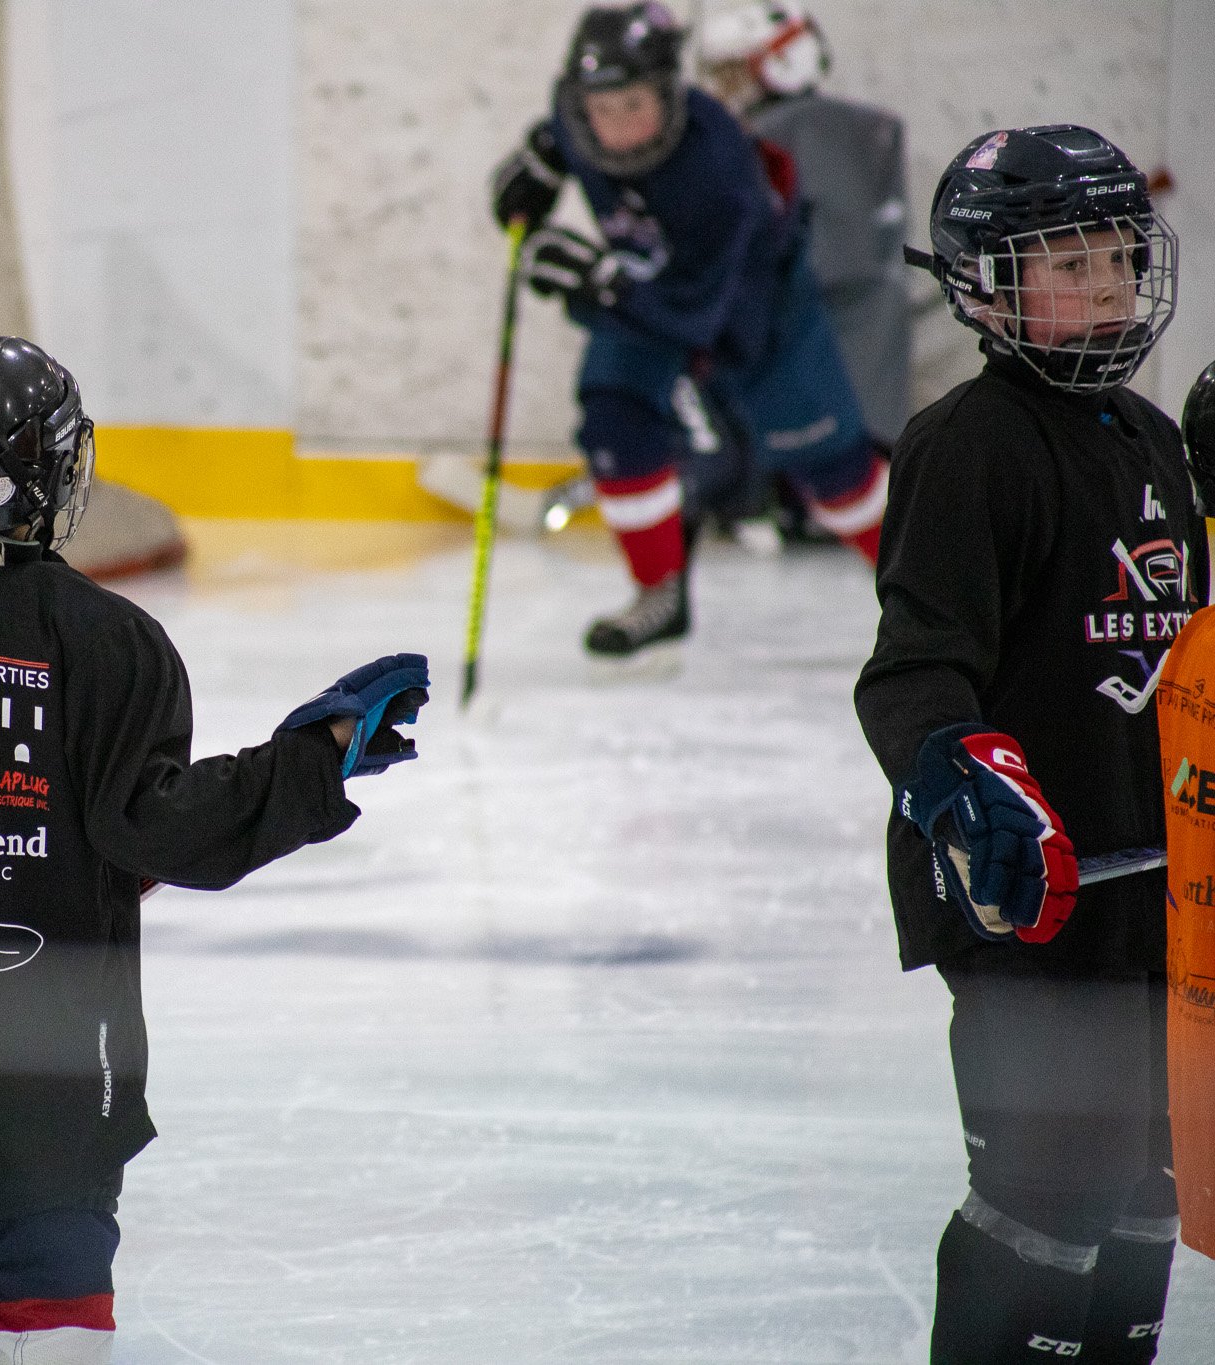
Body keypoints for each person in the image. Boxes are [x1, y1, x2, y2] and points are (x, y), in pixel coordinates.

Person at [0, 334, 430, 1365]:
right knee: (49, 1294)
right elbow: (153, 830)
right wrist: (314, 763)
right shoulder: (99, 639)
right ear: (42, 473)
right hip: (45, 1079)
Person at [855, 126, 1192, 1364]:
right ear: (987, 284)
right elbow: (913, 666)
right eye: (1068, 261)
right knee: (1051, 1194)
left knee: (1155, 1188)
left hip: (1156, 902)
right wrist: (966, 778)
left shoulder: (1152, 442)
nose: (1105, 285)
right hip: (1026, 908)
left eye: (1116, 255)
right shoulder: (967, 446)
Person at [490, 2, 886, 657]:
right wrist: (535, 168)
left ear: (670, 92)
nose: (615, 128)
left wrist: (594, 282)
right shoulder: (575, 114)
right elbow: (557, 138)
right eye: (601, 109)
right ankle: (659, 594)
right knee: (614, 414)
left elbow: (692, 317)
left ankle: (925, 598)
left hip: (757, 316)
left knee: (834, 473)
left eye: (634, 106)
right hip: (646, 295)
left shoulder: (716, 170)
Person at [696, 1, 912, 449]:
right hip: (858, 383)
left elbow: (825, 267)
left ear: (784, 61)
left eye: (733, 73)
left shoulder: (790, 133)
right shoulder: (850, 128)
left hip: (829, 385)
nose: (718, 91)